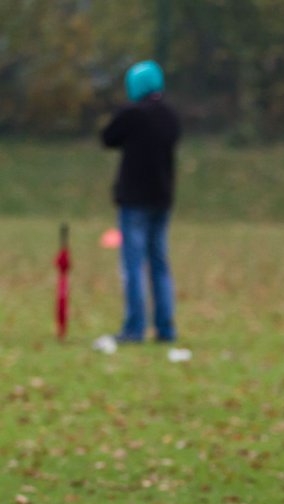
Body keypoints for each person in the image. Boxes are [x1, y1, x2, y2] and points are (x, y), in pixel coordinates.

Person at [101, 60, 181, 343]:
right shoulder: (170, 115)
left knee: (133, 265)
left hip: (134, 201)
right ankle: (166, 328)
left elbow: (108, 137)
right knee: (159, 264)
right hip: (162, 199)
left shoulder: (133, 114)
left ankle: (134, 329)